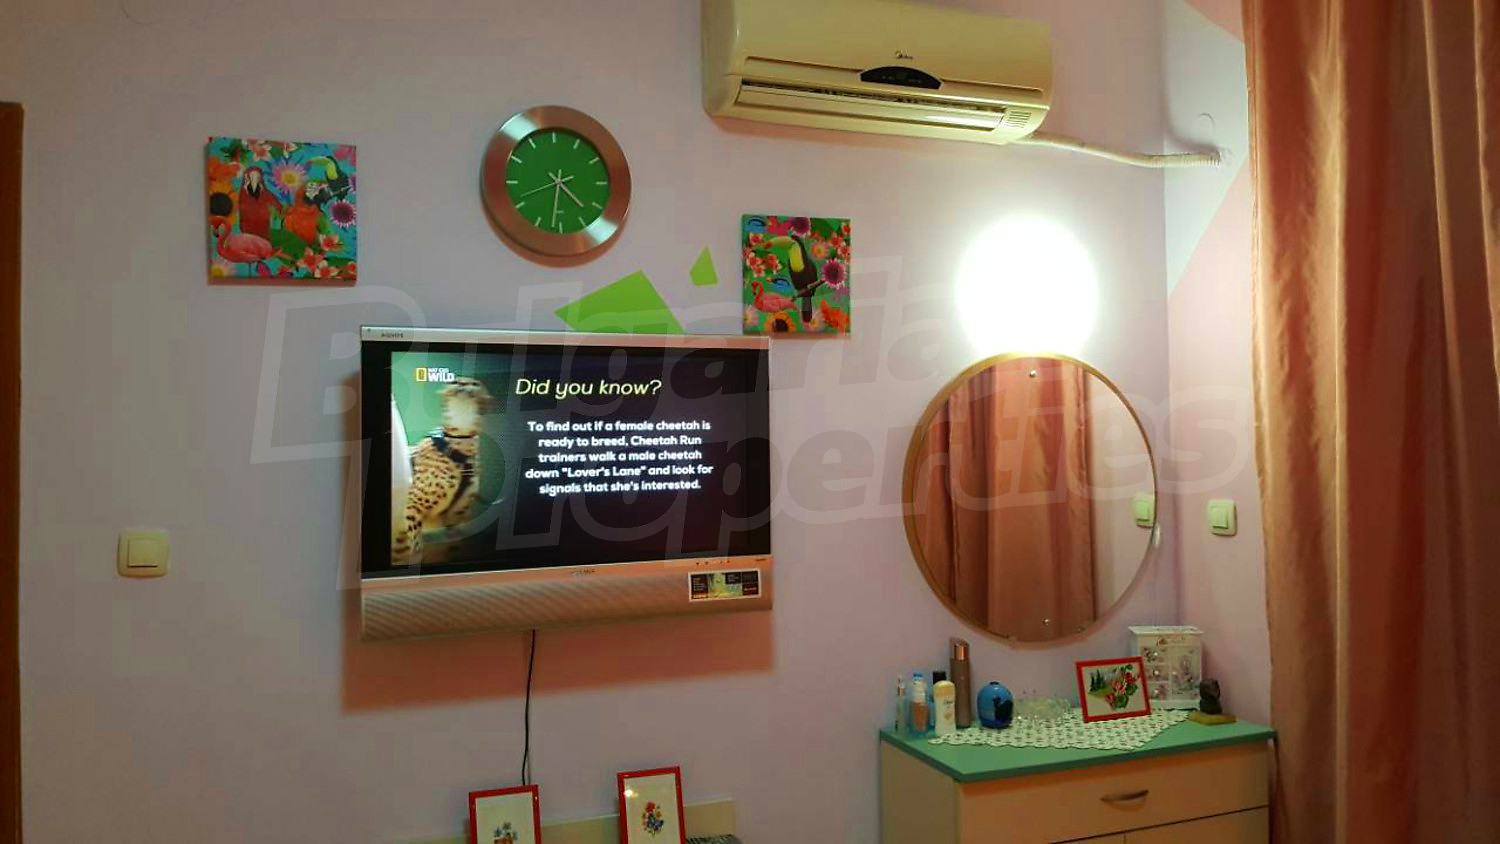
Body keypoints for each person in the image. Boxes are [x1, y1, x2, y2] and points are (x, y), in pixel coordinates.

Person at [237, 166, 282, 239]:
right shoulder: (241, 203)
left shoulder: (270, 200)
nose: (254, 181)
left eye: (258, 178)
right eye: (247, 179)